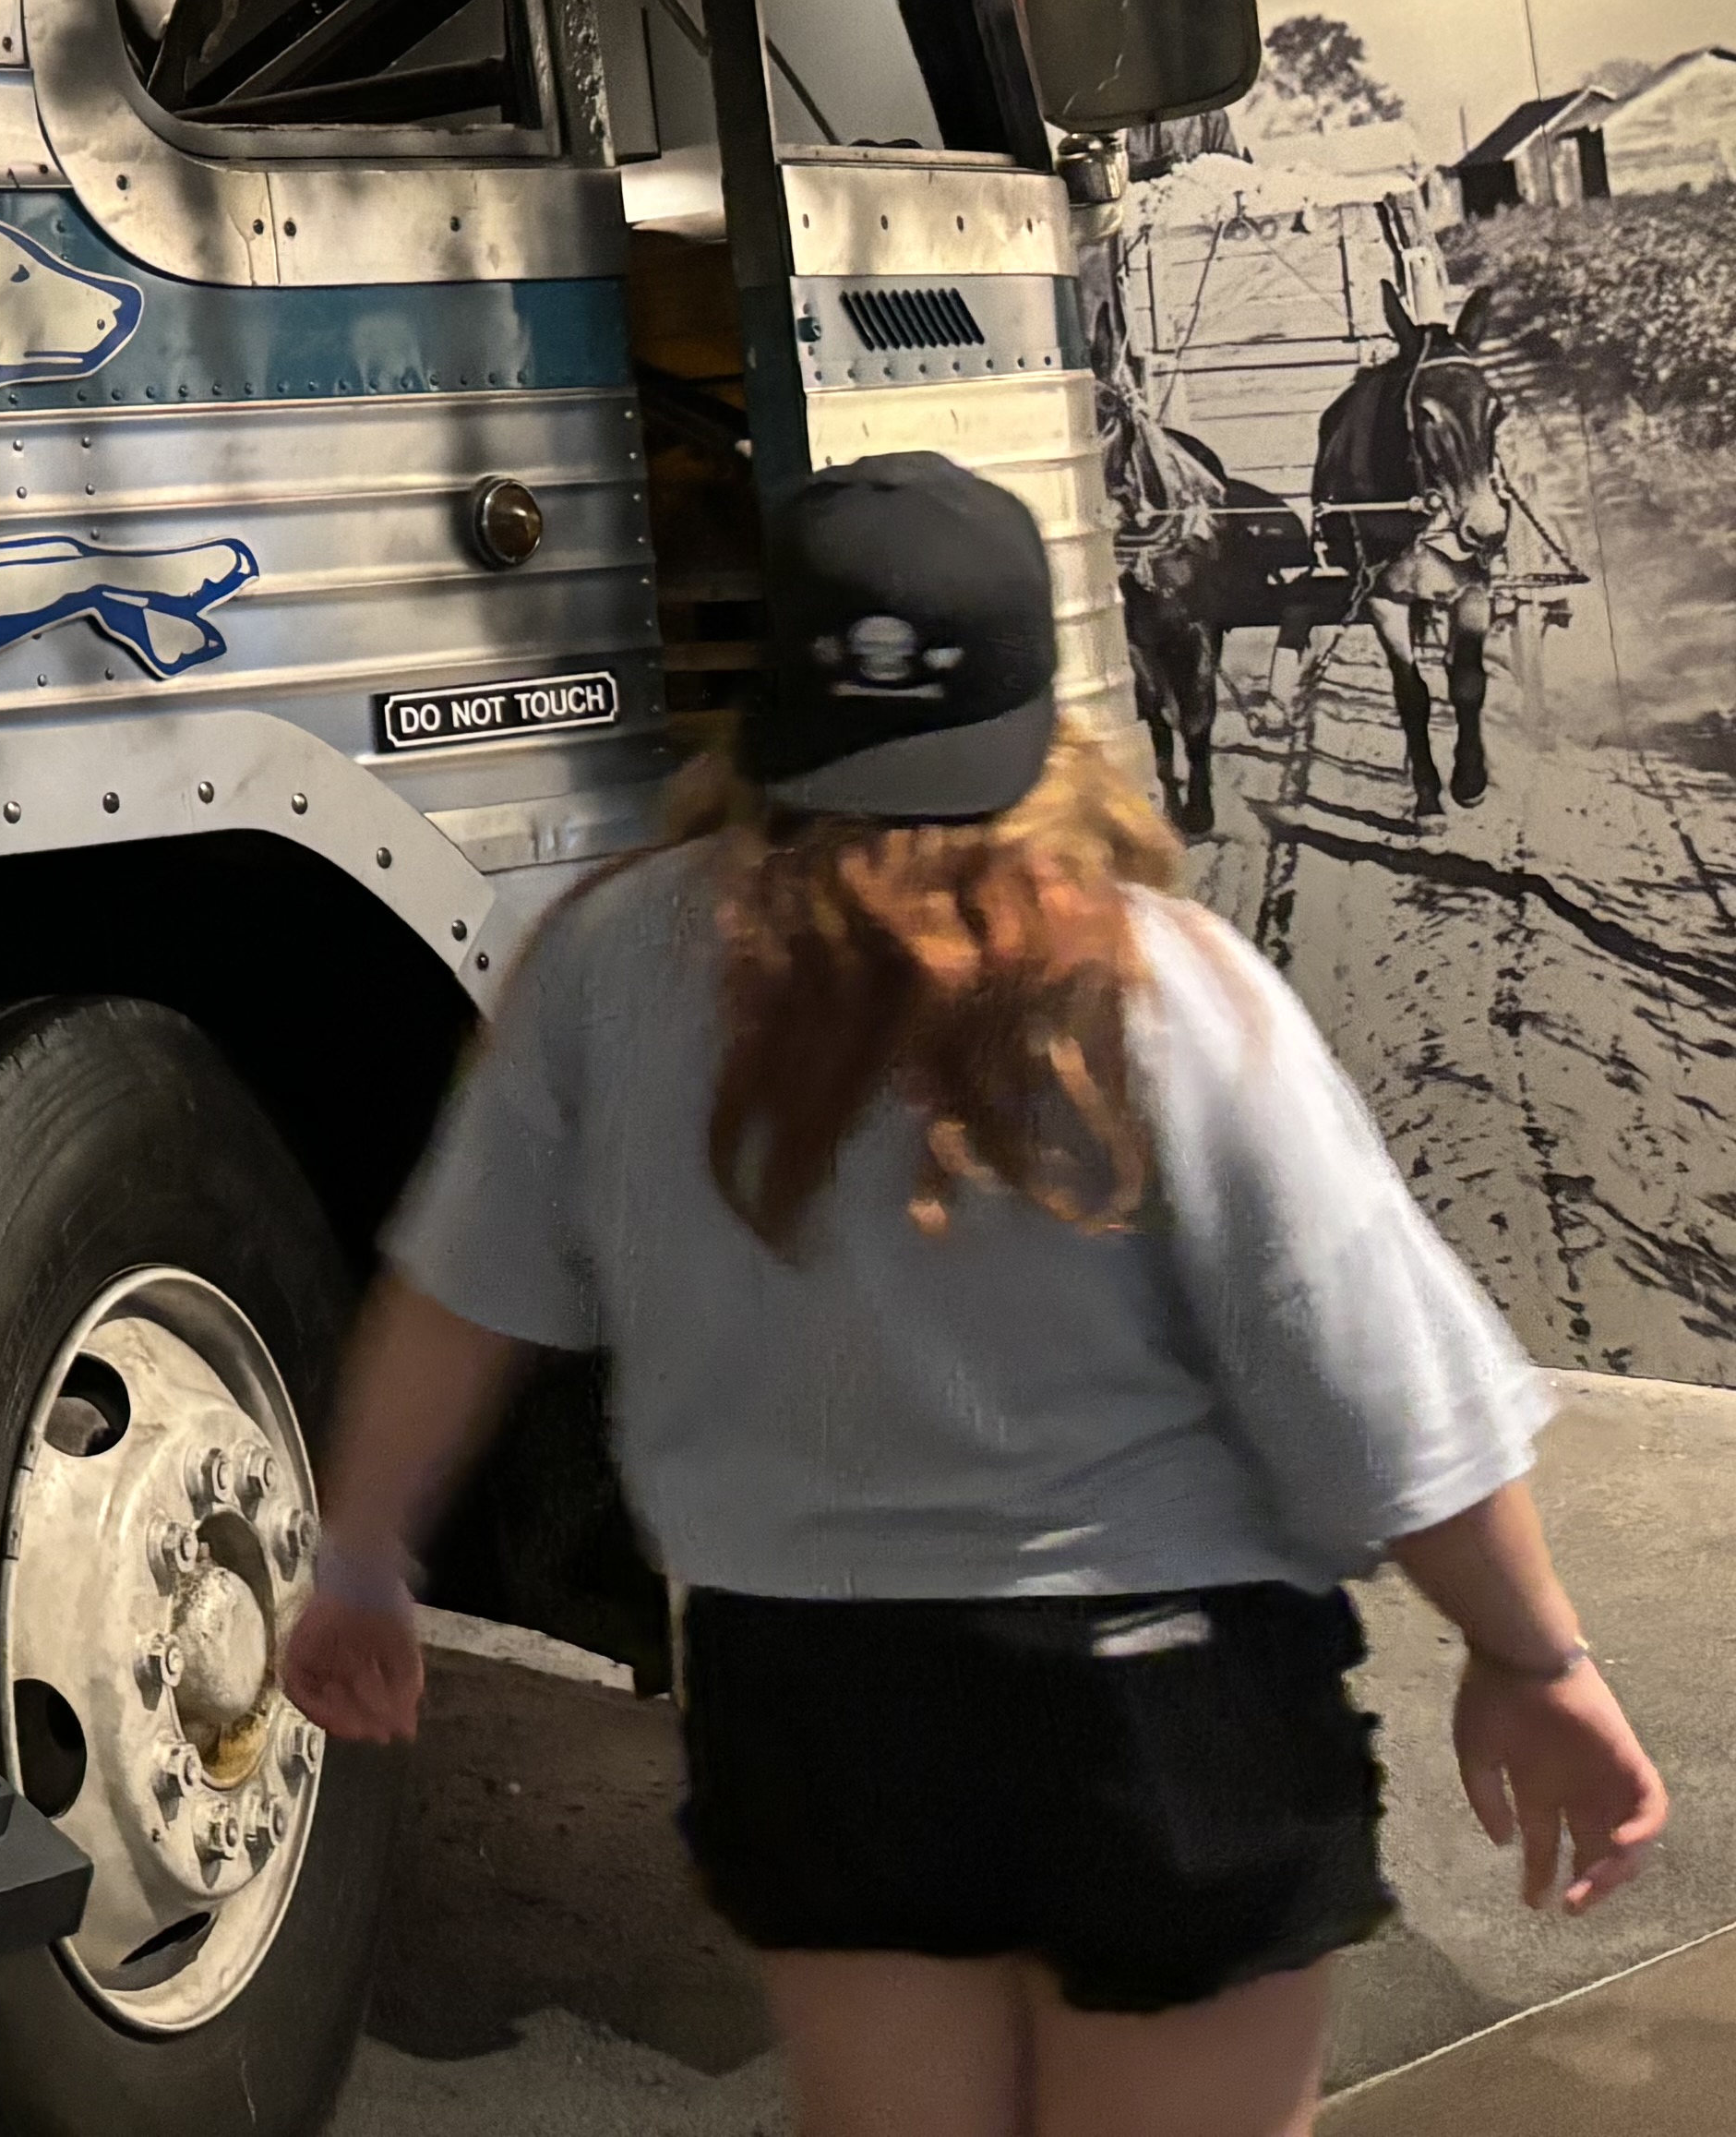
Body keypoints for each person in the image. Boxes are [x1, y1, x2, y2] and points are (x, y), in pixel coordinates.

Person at [276, 450, 1670, 2137]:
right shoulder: (1159, 980)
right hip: (1161, 1696)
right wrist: (1530, 1655)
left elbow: (454, 1293)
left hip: (808, 1693)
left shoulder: (603, 958)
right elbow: (1372, 1378)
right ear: (1038, 707)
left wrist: (360, 1559)